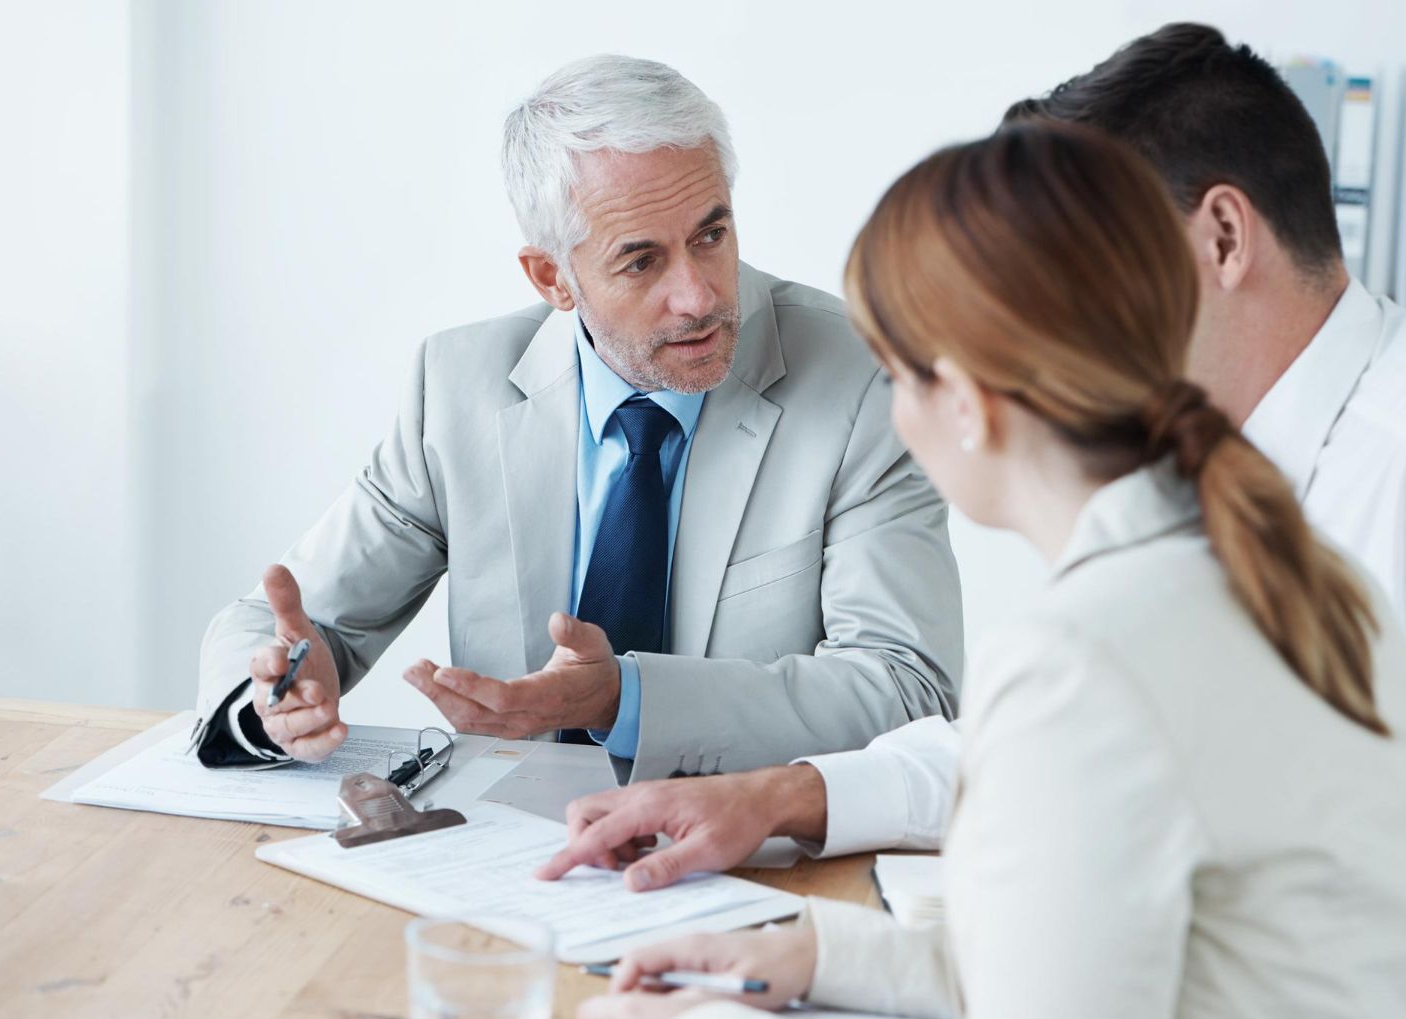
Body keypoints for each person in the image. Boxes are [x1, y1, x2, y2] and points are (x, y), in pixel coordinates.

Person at [542, 24, 1406, 953]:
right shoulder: (1190, 462)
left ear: (1222, 237)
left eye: (1082, 259)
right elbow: (1066, 745)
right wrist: (786, 795)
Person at [189, 55, 963, 783]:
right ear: (552, 277)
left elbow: (905, 686)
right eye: (641, 260)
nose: (697, 295)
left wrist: (624, 700)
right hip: (509, 861)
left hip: (756, 853)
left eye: (711, 234)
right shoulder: (457, 388)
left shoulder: (861, 376)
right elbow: (280, 621)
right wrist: (273, 700)